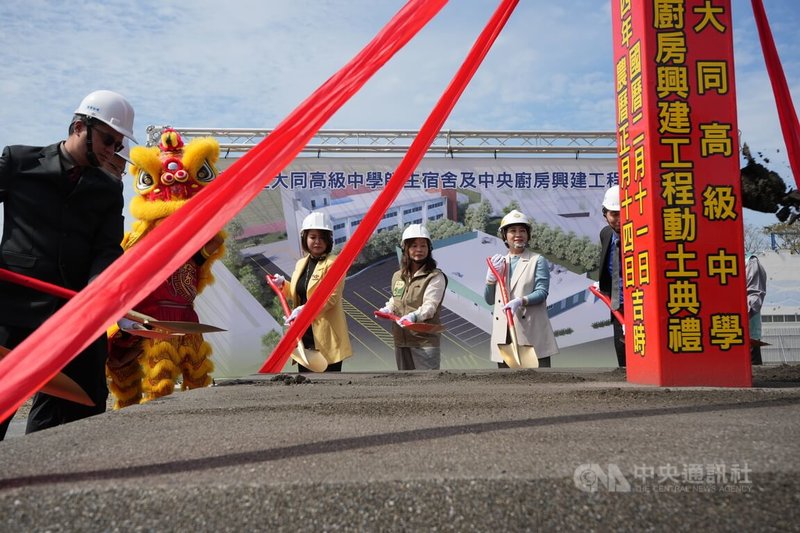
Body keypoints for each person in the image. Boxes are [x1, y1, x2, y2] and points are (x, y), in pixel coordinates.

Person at [0, 90, 136, 439]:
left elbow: (107, 248)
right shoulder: (19, 162)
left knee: (85, 407)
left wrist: (98, 289)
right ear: (79, 127)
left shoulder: (107, 188)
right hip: (12, 311)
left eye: (118, 144)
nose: (112, 150)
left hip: (75, 317)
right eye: (109, 139)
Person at [274, 211, 352, 372]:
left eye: (322, 237)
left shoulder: (335, 263)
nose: (317, 241)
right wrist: (284, 285)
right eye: (313, 237)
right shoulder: (301, 263)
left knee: (329, 387)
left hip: (325, 337)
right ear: (305, 238)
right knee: (306, 386)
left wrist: (304, 310)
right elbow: (300, 293)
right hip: (303, 335)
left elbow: (331, 299)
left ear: (329, 240)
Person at [485, 209, 558, 368]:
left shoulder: (537, 260)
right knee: (507, 386)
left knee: (540, 383)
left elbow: (542, 292)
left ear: (528, 235)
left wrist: (521, 300)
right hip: (505, 336)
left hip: (530, 332)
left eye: (522, 230)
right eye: (512, 230)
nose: (518, 234)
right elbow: (490, 300)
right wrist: (490, 279)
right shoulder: (499, 262)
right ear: (504, 236)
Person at [380, 224, 447, 370]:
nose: (419, 250)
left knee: (428, 387)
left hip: (424, 343)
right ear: (405, 249)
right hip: (401, 341)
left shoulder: (435, 276)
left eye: (423, 245)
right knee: (406, 387)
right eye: (414, 245)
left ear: (429, 249)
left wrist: (413, 317)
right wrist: (388, 309)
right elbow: (396, 299)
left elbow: (430, 306)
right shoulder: (397, 276)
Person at [597, 185, 626, 368]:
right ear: (605, 214)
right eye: (614, 214)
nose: (619, 219)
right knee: (623, 360)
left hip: (641, 305)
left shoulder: (643, 234)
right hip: (617, 305)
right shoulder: (605, 234)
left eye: (623, 212)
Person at [745, 251, 767, 365]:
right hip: (719, 335)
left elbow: (755, 297)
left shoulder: (749, 262)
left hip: (747, 339)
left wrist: (740, 319)